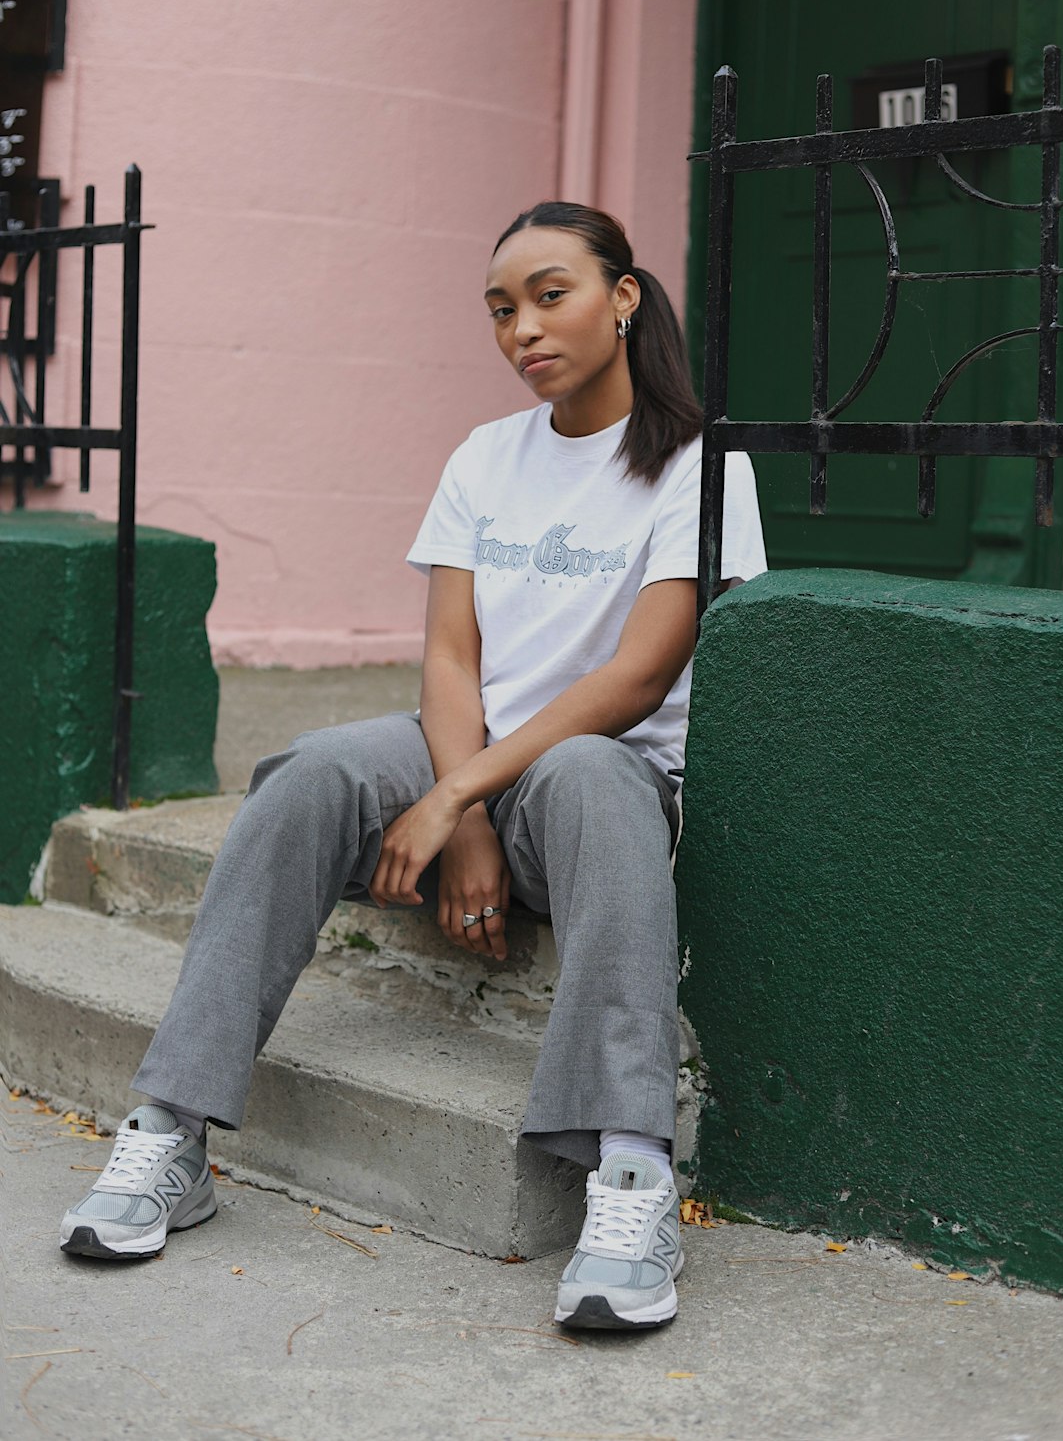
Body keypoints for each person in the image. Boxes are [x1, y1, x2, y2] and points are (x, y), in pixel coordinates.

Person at [59, 201, 766, 1331]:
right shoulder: (487, 455)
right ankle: (170, 1132)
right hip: (473, 756)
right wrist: (466, 808)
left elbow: (640, 675)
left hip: (596, 782)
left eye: (551, 294)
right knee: (315, 773)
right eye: (501, 310)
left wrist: (458, 794)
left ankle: (630, 1171)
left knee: (589, 773)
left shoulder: (696, 463)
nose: (523, 329)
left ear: (623, 298)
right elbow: (449, 653)